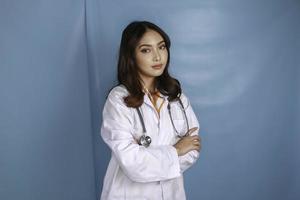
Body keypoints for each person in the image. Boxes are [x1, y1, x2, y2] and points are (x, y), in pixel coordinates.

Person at [100, 21, 201, 200]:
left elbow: (192, 149)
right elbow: (130, 161)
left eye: (161, 47)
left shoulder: (177, 98)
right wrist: (175, 151)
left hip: (172, 193)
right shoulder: (118, 99)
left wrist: (149, 161)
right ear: (131, 56)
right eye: (146, 50)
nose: (157, 57)